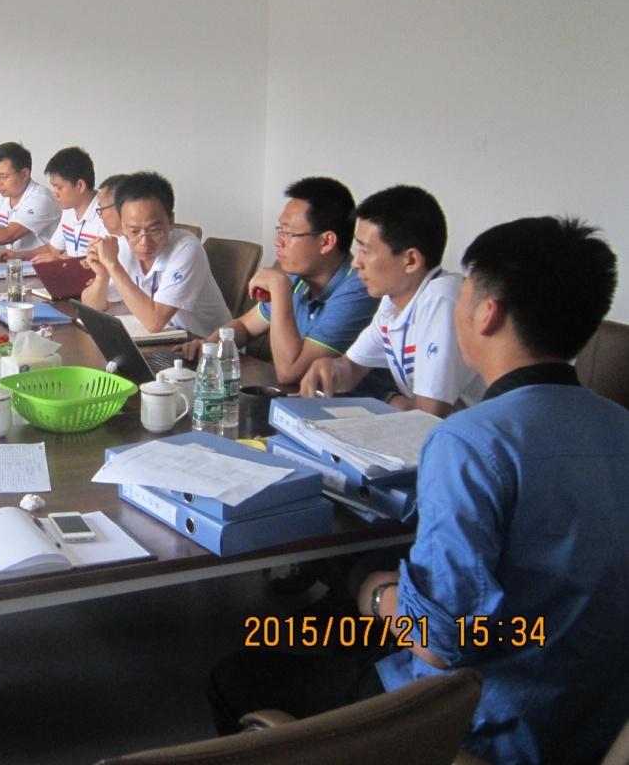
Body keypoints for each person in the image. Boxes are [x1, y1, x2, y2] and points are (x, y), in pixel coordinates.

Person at [211, 216, 629, 765]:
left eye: (465, 292)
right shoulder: (619, 424)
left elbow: (434, 643)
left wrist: (374, 592)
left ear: (488, 313)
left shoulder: (472, 442)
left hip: (478, 720)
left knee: (236, 676)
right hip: (591, 716)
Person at [300, 184, 483, 416]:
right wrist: (330, 368)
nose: (356, 262)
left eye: (365, 251)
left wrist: (388, 399)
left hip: (470, 435)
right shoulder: (393, 300)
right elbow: (352, 368)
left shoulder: (442, 299)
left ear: (411, 260)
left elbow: (428, 416)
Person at [180, 177, 381, 386]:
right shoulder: (299, 278)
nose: (277, 241)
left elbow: (290, 373)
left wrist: (279, 289)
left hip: (351, 403)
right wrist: (209, 346)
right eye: (280, 230)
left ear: (326, 242)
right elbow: (244, 326)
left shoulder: (359, 290)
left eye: (288, 233)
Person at [80, 171, 230, 337]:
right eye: (134, 231)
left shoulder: (187, 249)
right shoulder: (122, 245)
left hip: (207, 344)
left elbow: (155, 322)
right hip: (164, 340)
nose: (144, 242)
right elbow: (92, 306)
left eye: (154, 230)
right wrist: (102, 276)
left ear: (170, 220)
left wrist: (112, 265)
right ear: (122, 225)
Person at [6, 146, 103, 262]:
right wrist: (18, 255)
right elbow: (52, 249)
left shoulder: (105, 213)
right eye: (53, 187)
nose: (54, 193)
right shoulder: (69, 210)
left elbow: (105, 264)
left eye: (59, 187)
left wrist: (61, 260)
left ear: (80, 185)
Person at [0, 142, 61, 254]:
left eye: (4, 177)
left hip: (39, 263)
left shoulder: (41, 198)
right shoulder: (4, 197)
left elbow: (8, 234)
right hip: (15, 261)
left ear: (25, 174)